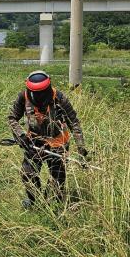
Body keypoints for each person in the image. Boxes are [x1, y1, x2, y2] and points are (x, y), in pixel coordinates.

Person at [7, 70, 88, 208]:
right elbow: (12, 118)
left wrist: (81, 149)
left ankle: (54, 205)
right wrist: (21, 135)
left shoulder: (59, 98)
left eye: (42, 92)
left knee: (57, 180)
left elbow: (74, 122)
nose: (40, 96)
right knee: (28, 174)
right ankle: (33, 201)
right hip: (33, 142)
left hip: (58, 142)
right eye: (36, 93)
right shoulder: (23, 96)